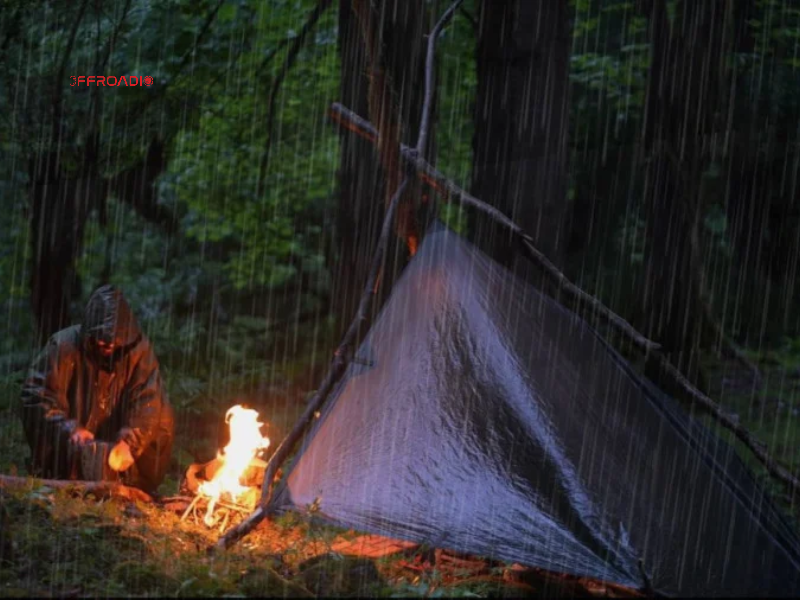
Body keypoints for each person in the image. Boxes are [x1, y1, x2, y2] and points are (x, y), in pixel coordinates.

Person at [20, 284, 175, 494]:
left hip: (119, 445)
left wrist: (131, 441)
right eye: (101, 337)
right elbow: (36, 395)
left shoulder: (139, 352)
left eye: (114, 339)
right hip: (72, 444)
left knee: (161, 417)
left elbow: (148, 403)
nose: (107, 343)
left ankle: (134, 486)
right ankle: (62, 477)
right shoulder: (64, 346)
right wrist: (68, 429)